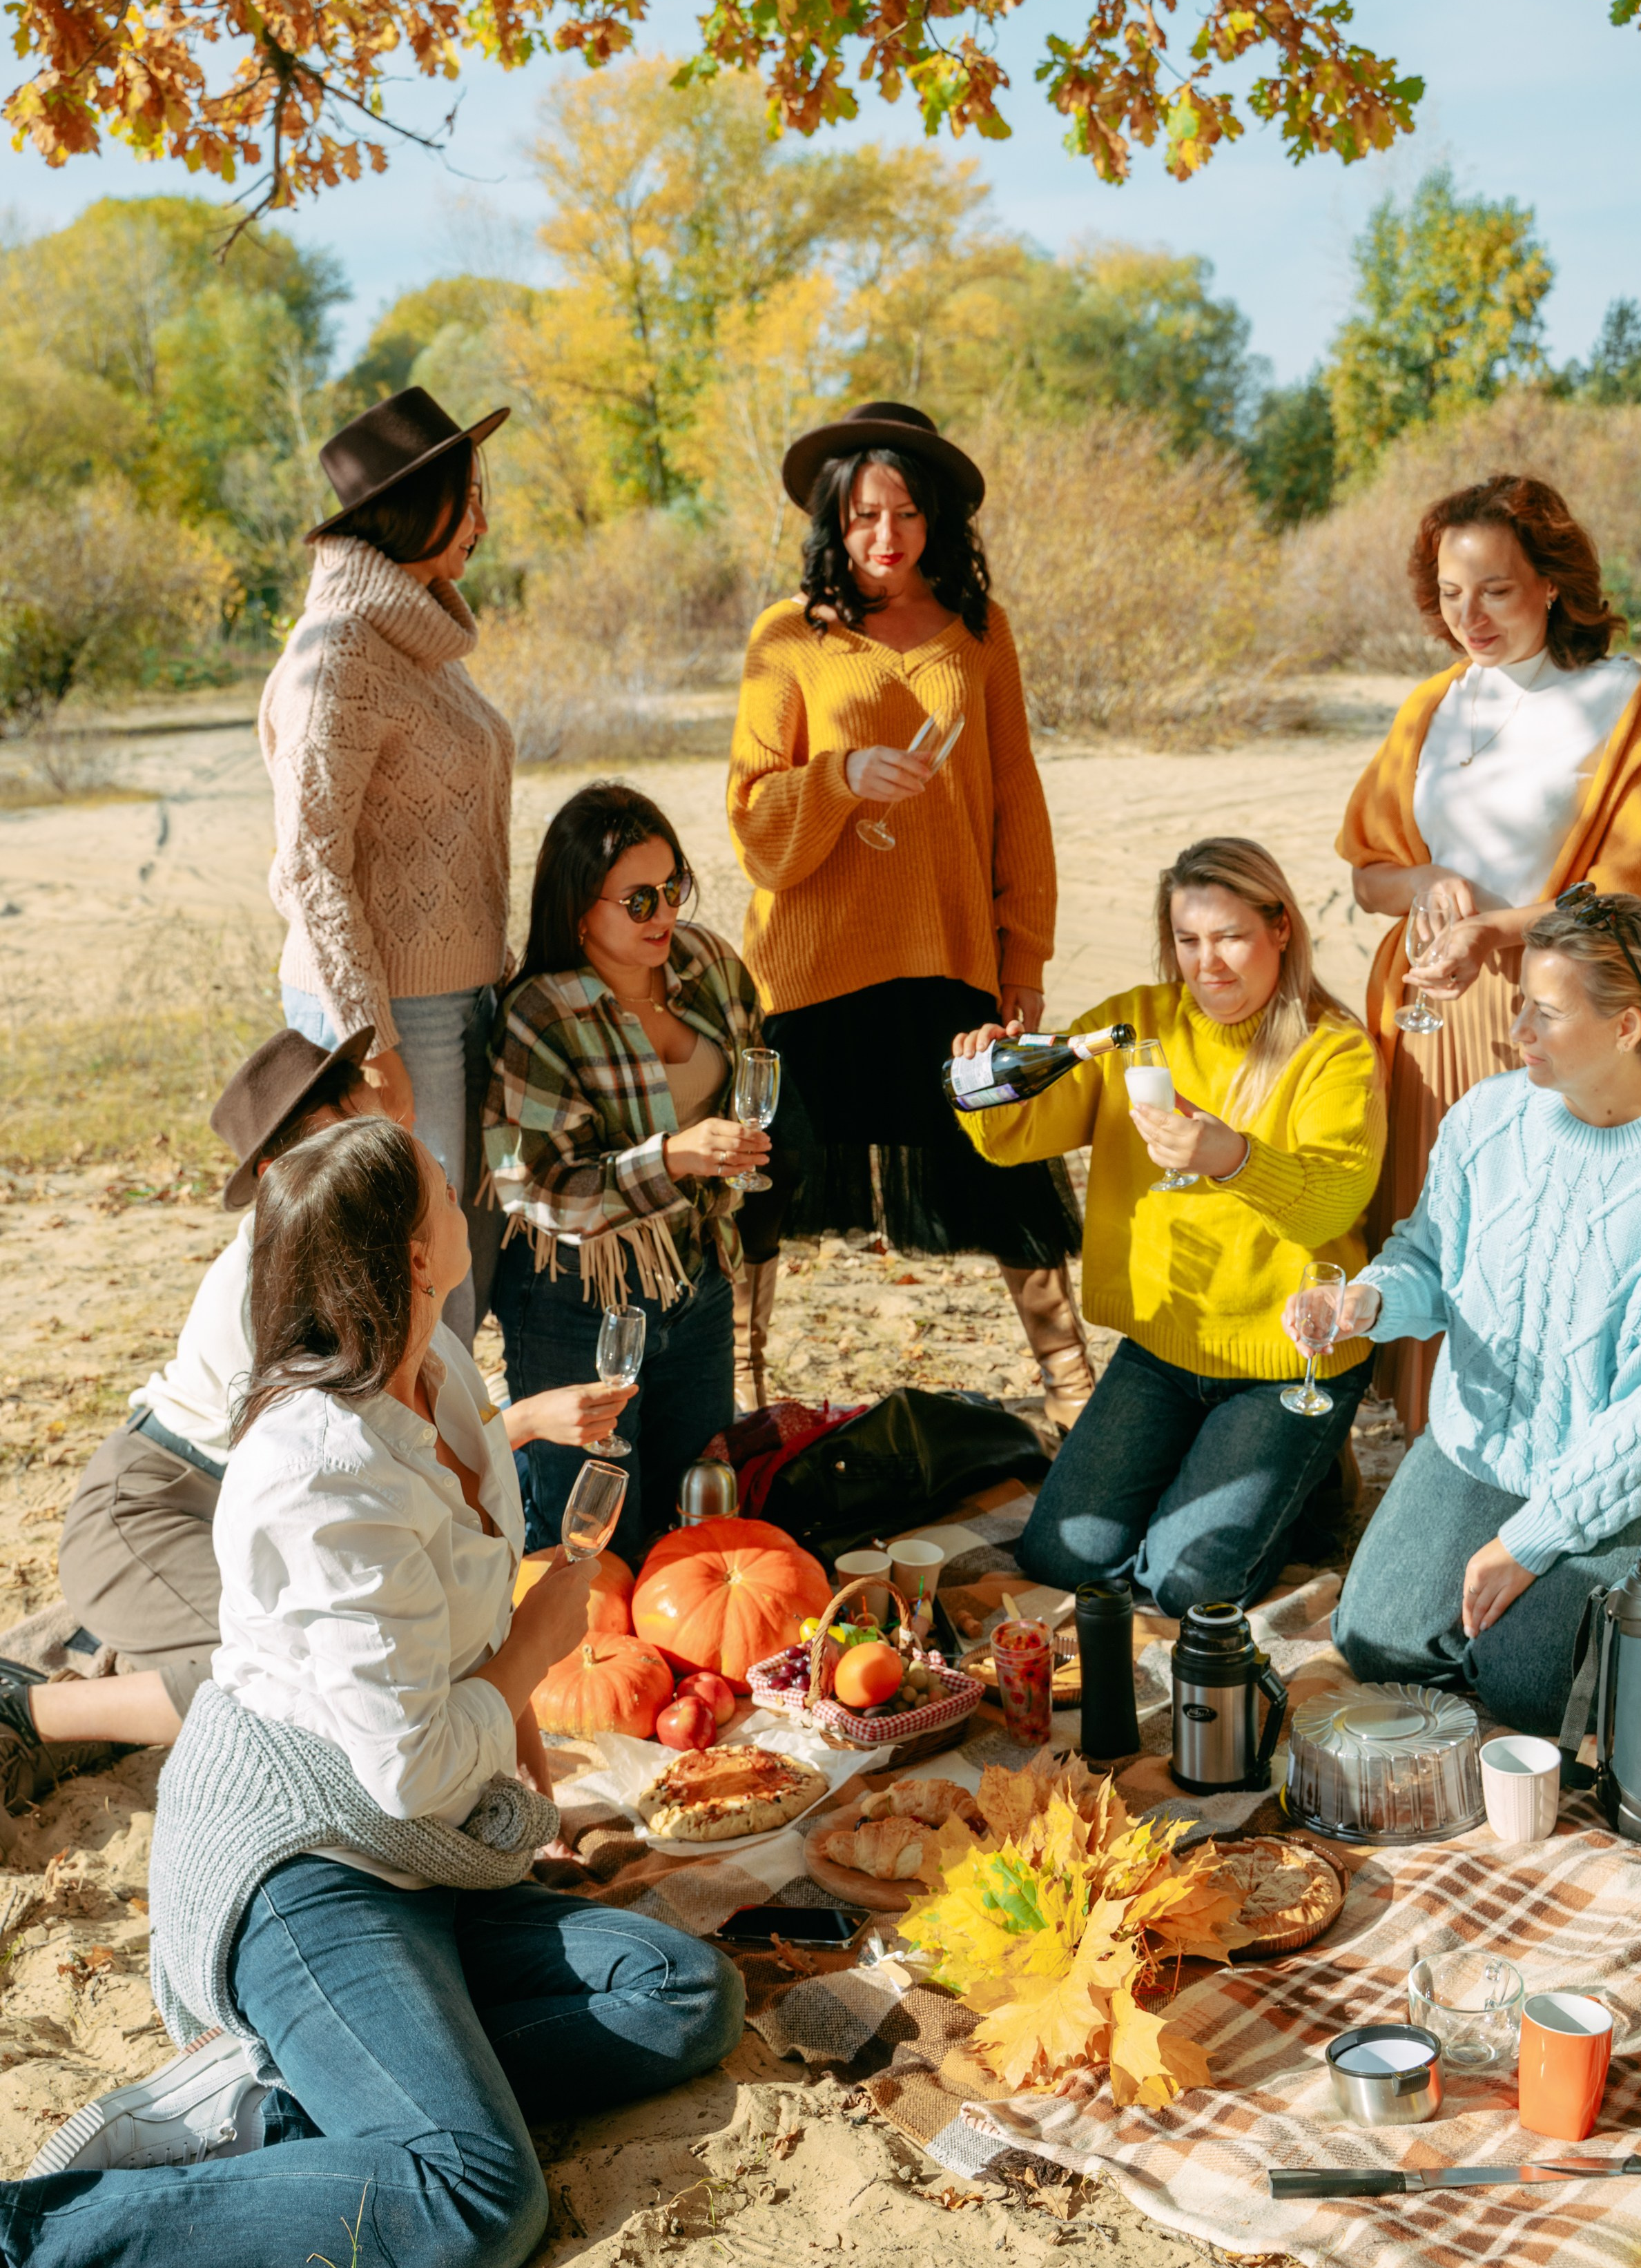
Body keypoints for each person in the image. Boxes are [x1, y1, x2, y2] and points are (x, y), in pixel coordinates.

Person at [0, 1117, 743, 2268]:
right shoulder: (317, 1476)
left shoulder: (437, 1371)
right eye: (449, 1192)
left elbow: (452, 1658)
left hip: (426, 1858)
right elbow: (411, 1770)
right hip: (308, 1868)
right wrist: (541, 1646)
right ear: (410, 1253)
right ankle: (37, 2233)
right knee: (476, 2202)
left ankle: (310, 2096)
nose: (470, 1200)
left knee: (684, 1998)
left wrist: (533, 1763)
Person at [20, 1031, 629, 1815]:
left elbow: (425, 1482)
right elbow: (361, 1478)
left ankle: (117, 1671)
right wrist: (527, 1424)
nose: (381, 1133)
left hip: (246, 1501)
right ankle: (34, 1713)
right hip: (155, 1501)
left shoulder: (407, 1320)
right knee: (276, 1674)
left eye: (368, 1108)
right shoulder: (295, 1299)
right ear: (284, 1174)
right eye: (346, 1124)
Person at [726, 400, 1094, 1430]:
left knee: (1006, 1168)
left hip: (948, 956)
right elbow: (754, 818)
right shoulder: (785, 637)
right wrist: (840, 778)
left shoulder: (982, 633)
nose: (885, 539)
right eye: (862, 518)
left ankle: (1073, 1396)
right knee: (767, 1182)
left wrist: (1023, 956)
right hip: (811, 968)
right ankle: (745, 1406)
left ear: (936, 521)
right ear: (833, 527)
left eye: (905, 514)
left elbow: (1017, 798)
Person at [953, 839, 1385, 1614]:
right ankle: (1261, 1473)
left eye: (1230, 936)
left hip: (1287, 1359)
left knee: (1186, 1588)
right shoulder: (1134, 1026)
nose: (1207, 962)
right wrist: (984, 1082)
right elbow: (1019, 1135)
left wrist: (1234, 1158)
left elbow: (1331, 1205)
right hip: (1163, 1349)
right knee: (1059, 1556)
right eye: (1188, 940)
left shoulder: (1334, 1050)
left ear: (1281, 928)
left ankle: (1308, 1475)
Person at [1338, 471, 1641, 1434]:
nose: (1468, 616)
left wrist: (1493, 930)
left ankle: (1526, 1439)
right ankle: (1430, 1431)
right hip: (1425, 1002)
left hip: (1551, 1006)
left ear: (1553, 582)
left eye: (1496, 590)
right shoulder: (1435, 703)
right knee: (1428, 1217)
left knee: (1528, 1229)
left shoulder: (1628, 699)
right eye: (1447, 593)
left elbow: (1631, 889)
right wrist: (1429, 885)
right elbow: (1368, 874)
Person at [1330, 888, 1641, 1737]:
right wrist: (1370, 1300)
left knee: (1531, 1694)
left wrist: (1534, 1540)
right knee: (1373, 1643)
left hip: (1610, 1478)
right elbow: (1427, 1257)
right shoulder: (1488, 1116)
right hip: (1474, 1449)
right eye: (1520, 1006)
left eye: (1545, 1015)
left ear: (1628, 1028)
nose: (1517, 1036)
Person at [260, 385, 518, 1343]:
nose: (485, 521)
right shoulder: (338, 658)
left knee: (465, 1279)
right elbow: (311, 867)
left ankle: (462, 1484)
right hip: (387, 1016)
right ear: (417, 508)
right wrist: (373, 1045)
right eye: (471, 498)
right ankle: (411, 1489)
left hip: (461, 1004)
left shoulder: (418, 640)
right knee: (416, 1294)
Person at [484, 783, 768, 1563]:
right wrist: (672, 1158)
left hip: (694, 1280)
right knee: (592, 1539)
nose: (665, 915)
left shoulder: (707, 962)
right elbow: (530, 1188)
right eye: (638, 900)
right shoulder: (537, 1015)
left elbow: (758, 1068)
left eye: (673, 887)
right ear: (581, 909)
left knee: (698, 1514)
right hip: (580, 1301)